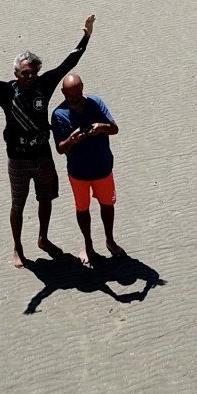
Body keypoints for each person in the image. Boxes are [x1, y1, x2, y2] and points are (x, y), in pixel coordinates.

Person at [0, 14, 94, 267]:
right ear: (15, 73)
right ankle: (17, 247)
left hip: (43, 155)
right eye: (24, 73)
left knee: (45, 198)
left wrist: (86, 36)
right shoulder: (5, 92)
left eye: (33, 73)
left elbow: (68, 63)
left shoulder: (44, 85)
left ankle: (43, 239)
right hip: (18, 158)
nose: (29, 77)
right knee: (18, 204)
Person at [52, 73, 123, 266]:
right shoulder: (59, 114)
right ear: (63, 93)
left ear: (83, 88)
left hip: (102, 167)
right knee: (82, 209)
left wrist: (101, 127)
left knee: (107, 205)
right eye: (70, 96)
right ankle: (88, 244)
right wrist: (71, 140)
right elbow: (60, 149)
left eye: (77, 94)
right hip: (78, 172)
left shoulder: (96, 103)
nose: (74, 100)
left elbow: (115, 128)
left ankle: (109, 239)